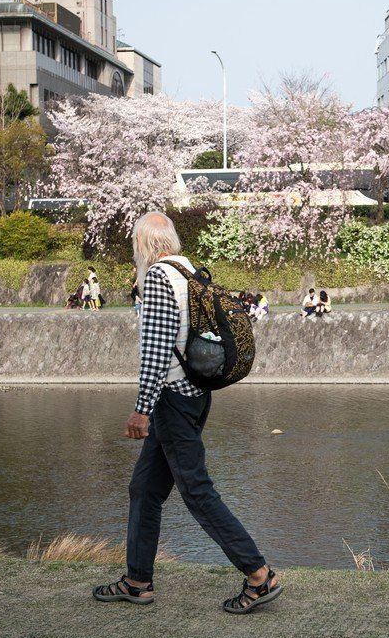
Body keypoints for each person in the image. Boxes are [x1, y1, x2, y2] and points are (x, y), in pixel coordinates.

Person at [93, 211, 280, 614]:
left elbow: (157, 350)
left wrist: (141, 410)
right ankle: (138, 582)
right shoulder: (189, 271)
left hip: (172, 399)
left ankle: (259, 574)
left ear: (142, 244)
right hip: (194, 393)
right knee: (145, 489)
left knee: (196, 490)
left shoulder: (159, 278)